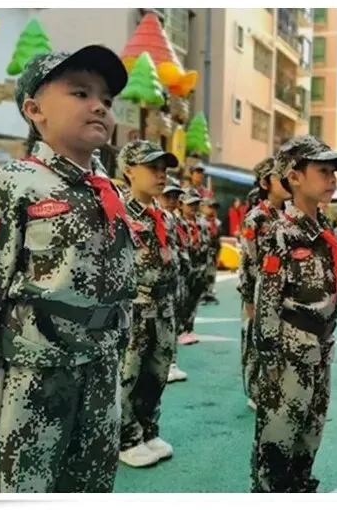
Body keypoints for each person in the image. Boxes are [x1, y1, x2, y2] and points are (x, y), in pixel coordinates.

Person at [0, 45, 136, 492]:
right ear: (34, 110)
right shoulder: (17, 182)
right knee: (27, 487)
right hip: (39, 369)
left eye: (107, 99)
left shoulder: (110, 190)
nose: (100, 106)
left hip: (101, 364)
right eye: (80, 93)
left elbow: (121, 277)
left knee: (92, 484)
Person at [250, 135, 337, 492]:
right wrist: (268, 357)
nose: (332, 178)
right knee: (279, 434)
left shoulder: (324, 230)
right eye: (323, 171)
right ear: (294, 177)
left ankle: (300, 485)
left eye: (333, 172)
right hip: (289, 349)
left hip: (320, 345)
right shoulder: (281, 232)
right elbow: (267, 299)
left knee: (311, 429)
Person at [115, 140, 181, 468]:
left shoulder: (164, 217)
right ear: (129, 171)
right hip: (133, 308)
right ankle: (126, 438)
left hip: (163, 306)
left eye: (163, 169)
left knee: (157, 372)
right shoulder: (117, 214)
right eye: (152, 168)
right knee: (128, 374)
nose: (161, 175)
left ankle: (148, 429)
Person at [237, 156, 290, 410]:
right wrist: (248, 298)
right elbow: (248, 261)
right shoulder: (256, 218)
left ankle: (275, 386)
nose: (286, 182)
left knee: (279, 340)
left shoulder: (290, 215)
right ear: (265, 183)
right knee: (256, 341)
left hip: (285, 292)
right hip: (260, 291)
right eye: (280, 178)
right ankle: (255, 392)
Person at [157, 180, 190, 384]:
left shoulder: (177, 221)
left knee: (173, 322)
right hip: (157, 284)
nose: (172, 201)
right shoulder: (154, 217)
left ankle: (172, 363)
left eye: (175, 197)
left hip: (176, 279)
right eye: (167, 196)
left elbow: (182, 247)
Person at [177, 189, 209, 344]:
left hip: (199, 268)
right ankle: (180, 331)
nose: (193, 208)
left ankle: (189, 329)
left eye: (196, 204)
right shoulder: (177, 222)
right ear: (181, 205)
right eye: (190, 204)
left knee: (194, 301)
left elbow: (206, 243)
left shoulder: (202, 223)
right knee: (182, 300)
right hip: (183, 269)